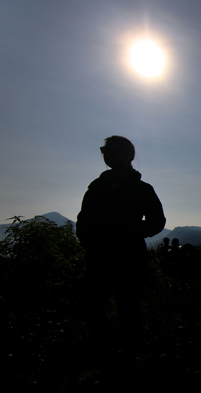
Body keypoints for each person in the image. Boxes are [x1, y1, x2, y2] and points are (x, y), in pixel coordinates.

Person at [76, 135, 166, 353]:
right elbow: (83, 220)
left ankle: (127, 359)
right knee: (91, 310)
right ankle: (114, 352)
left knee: (128, 309)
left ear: (128, 155)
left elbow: (157, 221)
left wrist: (130, 232)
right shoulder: (96, 187)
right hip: (99, 257)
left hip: (130, 257)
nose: (108, 154)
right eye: (105, 150)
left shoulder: (143, 189)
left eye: (114, 150)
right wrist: (89, 242)